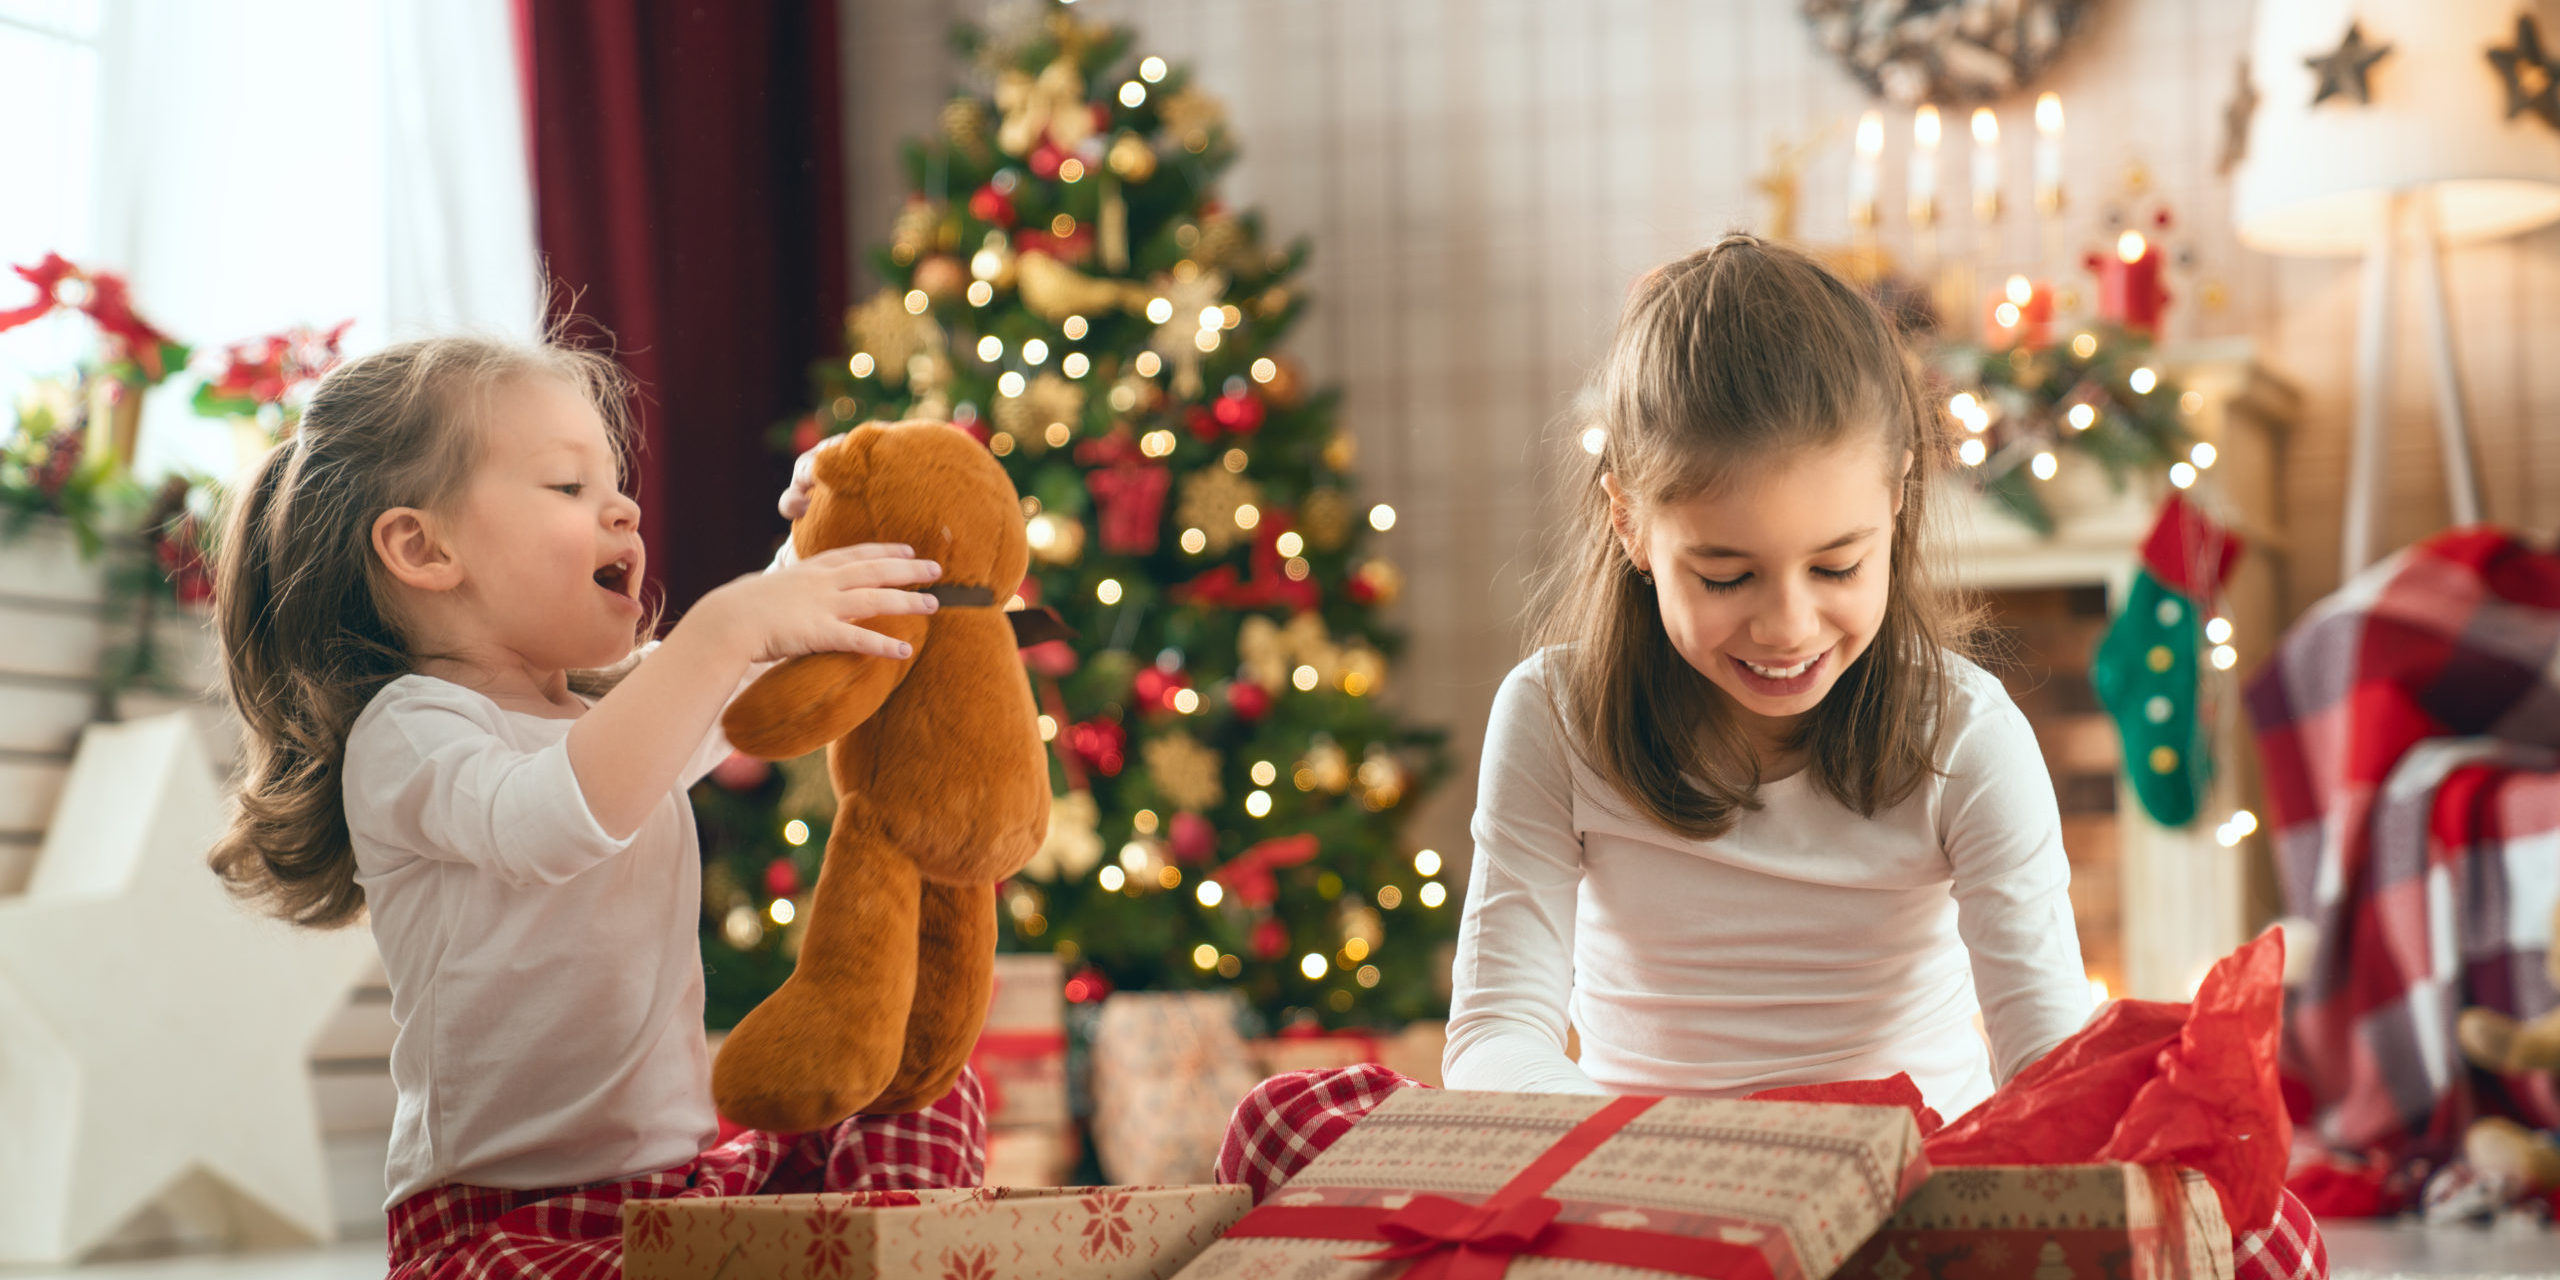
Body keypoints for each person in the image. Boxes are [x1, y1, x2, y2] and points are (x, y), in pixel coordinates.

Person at [1213, 236, 2325, 1279]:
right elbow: (1499, 1032)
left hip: (1905, 1191)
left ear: (1894, 497)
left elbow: (2045, 1055)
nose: (1788, 626)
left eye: (1836, 566)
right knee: (1288, 1118)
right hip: (1637, 1187)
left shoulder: (1967, 733)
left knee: (2264, 1221)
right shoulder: (1549, 716)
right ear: (1627, 524)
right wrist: (1651, 1157)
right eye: (1726, 575)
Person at [207, 333, 971, 1278]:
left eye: (613, 482)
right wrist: (725, 627)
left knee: (925, 1070)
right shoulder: (410, 733)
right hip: (500, 1228)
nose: (623, 508)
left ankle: (901, 1257)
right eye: (569, 487)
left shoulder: (611, 717)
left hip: (678, 1201)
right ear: (422, 546)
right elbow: (557, 817)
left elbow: (754, 665)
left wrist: (826, 530)